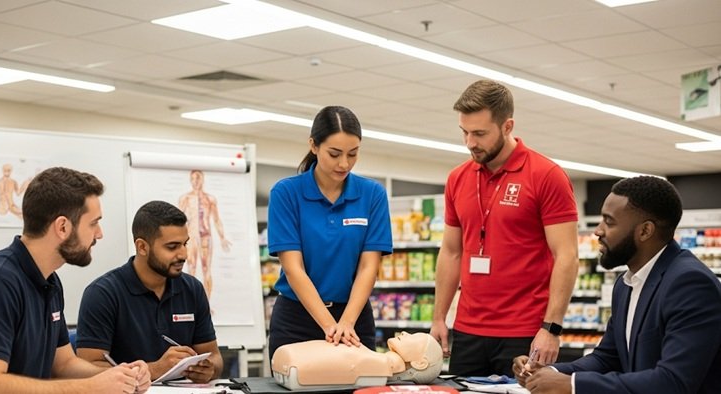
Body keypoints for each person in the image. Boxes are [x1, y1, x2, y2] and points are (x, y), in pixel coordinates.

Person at [0, 167, 151, 394]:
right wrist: (90, 387)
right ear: (62, 227)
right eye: (93, 223)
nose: (99, 234)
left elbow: (63, 364)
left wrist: (121, 375)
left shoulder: (49, 281)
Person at [513, 176, 721, 394]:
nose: (598, 231)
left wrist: (572, 386)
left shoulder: (690, 284)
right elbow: (608, 358)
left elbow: (673, 382)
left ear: (645, 231)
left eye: (609, 222)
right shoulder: (625, 284)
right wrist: (548, 372)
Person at [431, 80, 579, 377]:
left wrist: (551, 328)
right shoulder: (458, 178)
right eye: (465, 132)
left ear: (507, 126)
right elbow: (451, 252)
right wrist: (438, 318)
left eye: (480, 133)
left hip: (524, 331)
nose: (470, 142)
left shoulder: (546, 175)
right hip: (468, 330)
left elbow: (567, 256)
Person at [267, 105, 393, 358]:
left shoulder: (372, 194)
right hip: (297, 319)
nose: (344, 163)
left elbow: (369, 267)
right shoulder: (286, 193)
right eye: (334, 154)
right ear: (314, 145)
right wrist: (329, 326)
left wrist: (346, 323)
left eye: (353, 154)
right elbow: (294, 268)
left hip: (354, 317)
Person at [76, 200, 223, 383]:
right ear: (142, 247)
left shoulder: (192, 289)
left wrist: (209, 369)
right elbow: (87, 369)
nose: (183, 254)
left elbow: (215, 357)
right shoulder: (102, 294)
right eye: (172, 247)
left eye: (185, 244)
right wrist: (154, 369)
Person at [271, 332, 443, 389]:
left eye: (414, 336)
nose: (405, 333)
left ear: (420, 363)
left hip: (293, 363)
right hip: (292, 361)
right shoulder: (371, 358)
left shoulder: (374, 363)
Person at [177, 169, 231, 300]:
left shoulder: (210, 199)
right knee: (191, 269)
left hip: (206, 236)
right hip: (191, 238)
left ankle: (206, 303)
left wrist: (222, 237)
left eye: (198, 178)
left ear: (203, 179)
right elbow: (177, 219)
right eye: (193, 179)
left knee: (207, 269)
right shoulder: (185, 198)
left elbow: (216, 219)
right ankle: (191, 303)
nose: (195, 182)